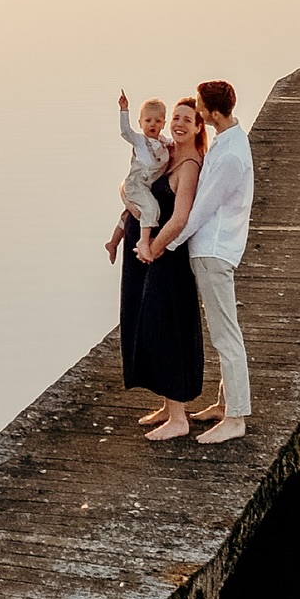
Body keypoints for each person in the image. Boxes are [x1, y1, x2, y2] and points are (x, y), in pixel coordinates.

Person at [146, 78, 252, 446]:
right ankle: (224, 405)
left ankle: (236, 417)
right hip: (211, 250)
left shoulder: (230, 155)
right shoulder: (228, 140)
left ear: (212, 112)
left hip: (214, 251)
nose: (198, 110)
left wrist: (164, 245)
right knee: (225, 332)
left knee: (226, 336)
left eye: (201, 106)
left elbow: (200, 210)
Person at [120, 98, 206, 441]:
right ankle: (168, 407)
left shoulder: (189, 166)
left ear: (198, 127)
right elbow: (135, 187)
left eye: (187, 119)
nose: (179, 124)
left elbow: (180, 218)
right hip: (147, 256)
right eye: (176, 118)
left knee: (166, 331)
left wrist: (152, 249)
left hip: (166, 259)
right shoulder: (168, 155)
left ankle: (179, 418)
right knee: (148, 326)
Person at [105, 91, 170, 264]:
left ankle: (113, 243)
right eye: (148, 120)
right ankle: (143, 241)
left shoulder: (164, 142)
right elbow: (126, 132)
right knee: (151, 208)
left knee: (129, 214)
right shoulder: (140, 141)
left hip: (145, 185)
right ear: (140, 122)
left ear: (164, 123)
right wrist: (124, 110)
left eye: (157, 121)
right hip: (136, 183)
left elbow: (175, 145)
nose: (152, 124)